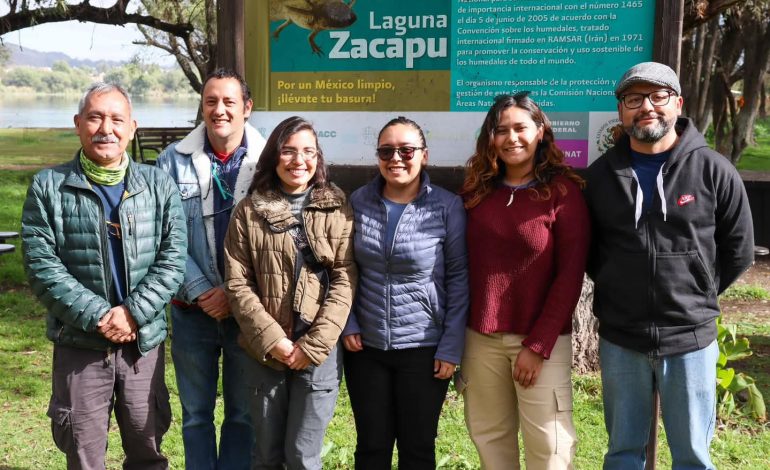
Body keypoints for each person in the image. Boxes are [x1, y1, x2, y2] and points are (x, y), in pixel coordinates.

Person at [584, 62, 755, 469]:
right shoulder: (599, 178)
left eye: (657, 96)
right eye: (633, 99)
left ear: (677, 103)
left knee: (693, 455)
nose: (646, 107)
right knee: (624, 452)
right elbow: (590, 252)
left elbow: (739, 249)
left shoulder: (714, 169)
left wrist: (696, 292)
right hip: (622, 339)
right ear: (621, 110)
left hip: (691, 340)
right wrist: (618, 284)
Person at [21, 82, 187, 469]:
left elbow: (173, 258)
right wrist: (99, 315)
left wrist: (132, 313)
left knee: (147, 448)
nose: (105, 129)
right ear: (78, 124)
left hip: (141, 344)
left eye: (116, 119)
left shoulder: (158, 185)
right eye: (95, 117)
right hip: (79, 342)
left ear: (132, 128)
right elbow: (42, 267)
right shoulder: (49, 187)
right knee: (83, 453)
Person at [459, 93, 590, 469]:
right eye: (501, 130)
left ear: (541, 131)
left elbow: (570, 275)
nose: (511, 138)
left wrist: (538, 344)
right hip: (480, 339)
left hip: (539, 341)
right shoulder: (475, 192)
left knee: (550, 446)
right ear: (490, 138)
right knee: (490, 439)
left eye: (520, 127)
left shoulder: (563, 193)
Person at [223, 116, 357, 469]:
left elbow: (344, 279)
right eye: (289, 151)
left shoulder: (337, 207)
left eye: (308, 151)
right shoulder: (248, 211)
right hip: (264, 352)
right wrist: (273, 340)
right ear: (274, 156)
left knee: (302, 455)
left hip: (319, 350)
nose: (299, 161)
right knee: (266, 455)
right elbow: (238, 283)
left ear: (319, 157)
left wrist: (312, 345)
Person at [342, 116, 469, 469]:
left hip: (424, 347)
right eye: (386, 151)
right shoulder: (358, 201)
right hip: (365, 347)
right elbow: (343, 268)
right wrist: (348, 322)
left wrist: (451, 345)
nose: (396, 158)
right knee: (371, 447)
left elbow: (458, 279)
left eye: (406, 150)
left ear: (424, 155)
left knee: (417, 449)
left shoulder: (446, 206)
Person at [156, 68, 266, 469]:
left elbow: (276, 243)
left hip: (248, 314)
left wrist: (235, 295)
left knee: (242, 414)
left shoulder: (269, 160)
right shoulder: (172, 161)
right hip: (191, 313)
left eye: (229, 102)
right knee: (196, 415)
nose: (219, 110)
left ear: (247, 108)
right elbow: (162, 235)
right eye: (211, 101)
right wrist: (202, 288)